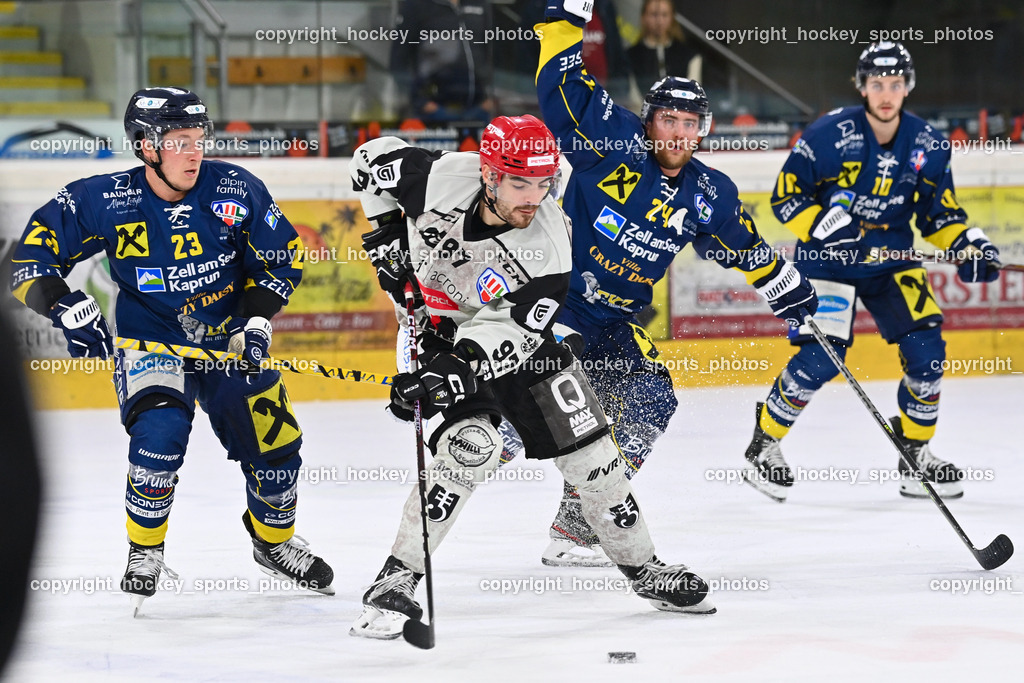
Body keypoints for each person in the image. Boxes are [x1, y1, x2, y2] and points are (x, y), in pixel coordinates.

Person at [348, 114, 718, 639]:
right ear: (490, 175)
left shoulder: (549, 248)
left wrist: (448, 375)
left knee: (598, 461)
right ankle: (397, 577)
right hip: (433, 332)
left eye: (544, 184)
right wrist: (386, 235)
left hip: (520, 347)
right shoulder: (440, 176)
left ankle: (645, 568)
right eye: (521, 182)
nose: (533, 197)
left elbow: (512, 332)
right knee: (465, 452)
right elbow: (368, 160)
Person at [496, 1, 819, 568]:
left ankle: (577, 525)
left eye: (690, 124)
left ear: (703, 131)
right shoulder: (615, 141)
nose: (678, 132)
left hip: (615, 323)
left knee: (650, 399)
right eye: (668, 119)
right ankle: (476, 437)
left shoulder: (709, 192)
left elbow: (742, 245)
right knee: (535, 415)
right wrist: (566, 24)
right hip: (555, 306)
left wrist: (788, 289)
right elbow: (562, 88)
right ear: (649, 121)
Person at [8, 87, 334, 615]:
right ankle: (146, 550)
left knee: (276, 453)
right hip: (151, 343)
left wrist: (253, 321)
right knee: (158, 438)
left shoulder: (236, 187)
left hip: (226, 344)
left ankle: (274, 544)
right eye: (178, 140)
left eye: (198, 139)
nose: (193, 152)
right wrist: (65, 306)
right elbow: (26, 263)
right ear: (144, 146)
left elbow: (280, 261)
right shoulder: (102, 199)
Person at [744, 42, 1001, 502]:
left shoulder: (927, 144)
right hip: (830, 261)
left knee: (928, 352)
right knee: (823, 356)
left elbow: (939, 217)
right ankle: (764, 445)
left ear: (908, 87)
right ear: (862, 87)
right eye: (877, 84)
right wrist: (823, 223)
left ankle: (915, 455)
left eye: (896, 84)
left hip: (892, 260)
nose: (887, 93)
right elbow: (786, 198)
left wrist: (969, 244)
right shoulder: (828, 134)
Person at [390, 0, 494, 123]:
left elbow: (491, 52)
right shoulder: (416, 5)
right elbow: (398, 59)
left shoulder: (480, 4)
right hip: (434, 110)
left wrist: (491, 97)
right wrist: (419, 101)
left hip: (478, 107)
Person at [627, 0, 701, 88]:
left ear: (672, 18)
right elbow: (632, 96)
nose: (659, 21)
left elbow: (693, 92)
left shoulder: (689, 56)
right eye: (654, 15)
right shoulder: (629, 56)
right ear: (644, 17)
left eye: (664, 15)